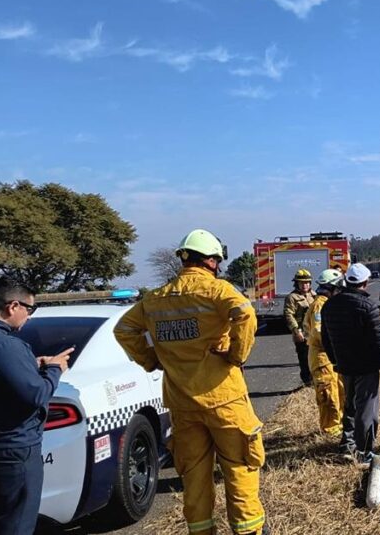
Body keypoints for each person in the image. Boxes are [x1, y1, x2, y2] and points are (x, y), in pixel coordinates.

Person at [114, 229, 267, 535]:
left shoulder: (155, 299)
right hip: (224, 400)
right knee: (239, 468)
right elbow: (246, 314)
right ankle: (248, 531)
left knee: (194, 477)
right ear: (211, 261)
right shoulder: (217, 291)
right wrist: (236, 355)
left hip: (182, 404)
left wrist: (152, 359)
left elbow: (123, 330)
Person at [0, 278, 72, 535]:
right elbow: (36, 395)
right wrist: (54, 369)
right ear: (12, 306)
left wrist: (31, 366)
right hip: (13, 452)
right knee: (17, 524)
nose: (29, 317)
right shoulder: (7, 345)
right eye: (30, 309)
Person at [320, 263, 380, 465]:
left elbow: (325, 339)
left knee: (350, 405)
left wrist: (335, 360)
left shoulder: (330, 305)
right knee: (366, 409)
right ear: (366, 282)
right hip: (366, 366)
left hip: (345, 366)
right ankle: (365, 451)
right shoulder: (368, 307)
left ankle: (348, 443)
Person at [303, 268, 346, 435]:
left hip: (330, 355)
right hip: (322, 356)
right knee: (328, 394)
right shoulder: (320, 306)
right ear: (331, 288)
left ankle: (338, 424)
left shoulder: (326, 303)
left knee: (338, 390)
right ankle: (330, 429)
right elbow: (320, 333)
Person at [284, 269, 315, 387]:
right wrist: (296, 331)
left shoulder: (314, 295)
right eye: (302, 283)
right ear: (296, 283)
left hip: (314, 332)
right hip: (302, 333)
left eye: (307, 282)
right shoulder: (292, 297)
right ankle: (307, 382)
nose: (305, 285)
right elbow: (288, 314)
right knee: (304, 358)